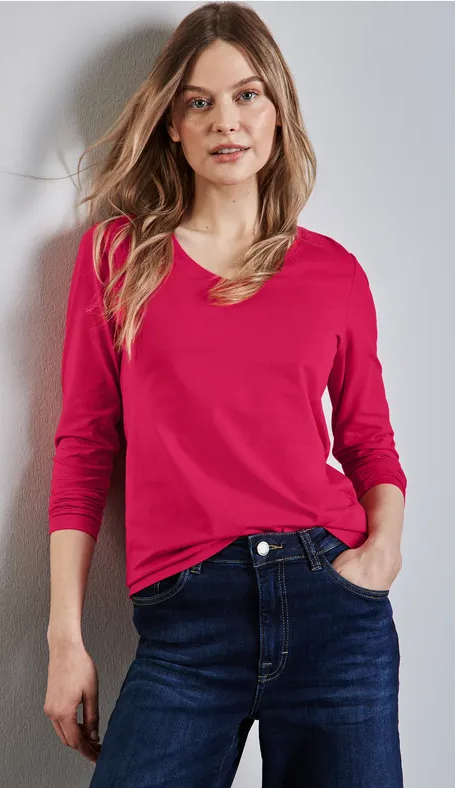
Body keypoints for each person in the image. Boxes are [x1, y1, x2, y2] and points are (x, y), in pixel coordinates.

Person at [43, 3, 407, 786]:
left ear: (276, 111)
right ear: (172, 125)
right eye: (198, 102)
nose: (225, 121)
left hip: (332, 606)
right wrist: (64, 639)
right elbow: (84, 447)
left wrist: (381, 553)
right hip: (187, 622)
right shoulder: (118, 256)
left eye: (246, 95)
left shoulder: (333, 272)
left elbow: (368, 441)